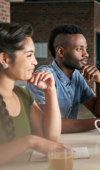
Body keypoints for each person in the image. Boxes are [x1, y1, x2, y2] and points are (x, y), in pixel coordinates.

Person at [26, 24, 100, 133]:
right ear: (61, 52)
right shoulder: (43, 77)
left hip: (67, 141)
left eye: (85, 48)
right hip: (42, 144)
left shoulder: (76, 76)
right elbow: (45, 124)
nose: (86, 54)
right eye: (79, 49)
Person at [0, 23, 65, 165]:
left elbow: (50, 139)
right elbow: (37, 142)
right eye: (29, 55)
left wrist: (50, 91)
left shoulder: (22, 95)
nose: (35, 62)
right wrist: (30, 141)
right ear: (4, 59)